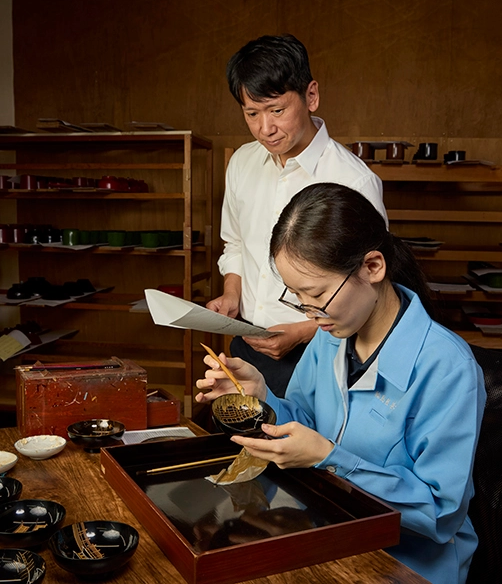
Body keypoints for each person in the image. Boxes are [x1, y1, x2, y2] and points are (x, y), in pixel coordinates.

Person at [197, 183, 486, 584]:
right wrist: (260, 397)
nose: (309, 313)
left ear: (373, 267)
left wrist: (330, 458)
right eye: (296, 296)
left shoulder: (446, 367)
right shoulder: (330, 335)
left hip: (407, 562)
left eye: (315, 294)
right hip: (326, 529)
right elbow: (305, 422)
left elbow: (440, 512)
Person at [207, 34, 387, 398]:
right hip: (246, 342)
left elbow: (372, 288)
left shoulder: (353, 180)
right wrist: (231, 293)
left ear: (311, 96)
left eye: (276, 110)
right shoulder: (242, 161)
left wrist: (302, 332)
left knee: (302, 451)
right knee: (242, 449)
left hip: (319, 351)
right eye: (251, 113)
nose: (265, 129)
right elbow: (237, 242)